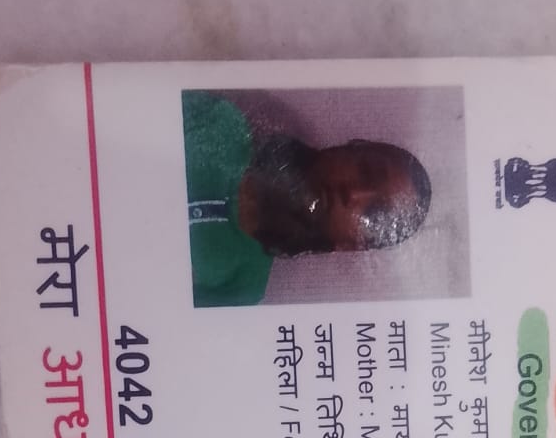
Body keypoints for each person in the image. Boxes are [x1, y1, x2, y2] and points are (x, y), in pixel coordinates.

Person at [182, 90, 432, 308]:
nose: (352, 194)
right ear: (349, 148)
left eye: (373, 214)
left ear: (351, 245)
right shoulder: (221, 125)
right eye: (365, 171)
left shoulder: (245, 286)